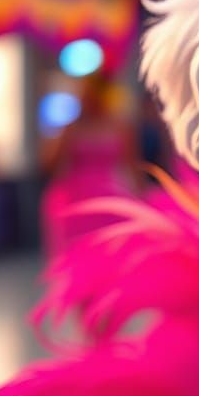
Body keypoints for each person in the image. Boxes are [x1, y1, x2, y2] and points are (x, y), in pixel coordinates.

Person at [41, 72, 140, 260]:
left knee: (111, 255)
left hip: (110, 196)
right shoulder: (71, 127)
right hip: (76, 197)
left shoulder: (120, 126)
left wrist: (139, 200)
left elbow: (133, 166)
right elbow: (49, 163)